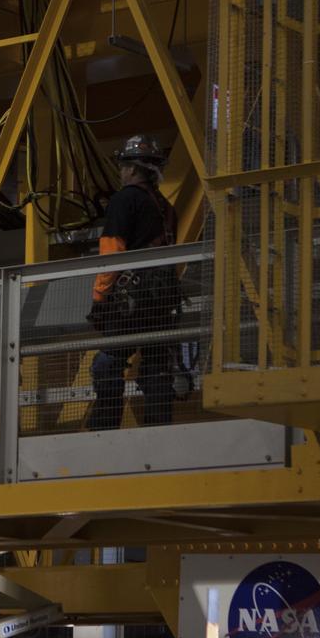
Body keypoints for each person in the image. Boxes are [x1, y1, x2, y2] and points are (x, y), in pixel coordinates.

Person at [87, 135, 181, 431]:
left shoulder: (124, 199)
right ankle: (158, 428)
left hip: (131, 302)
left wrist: (100, 299)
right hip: (162, 300)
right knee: (155, 363)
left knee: (107, 362)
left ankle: (105, 427)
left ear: (131, 169)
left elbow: (112, 252)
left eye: (122, 166)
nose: (120, 172)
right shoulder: (166, 208)